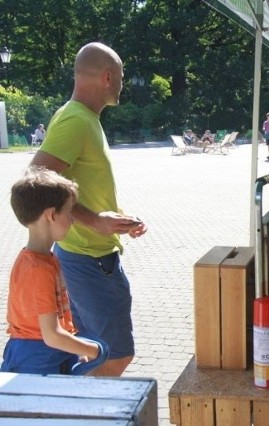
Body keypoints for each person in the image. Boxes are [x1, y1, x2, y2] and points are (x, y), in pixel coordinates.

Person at [30, 42, 148, 377]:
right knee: (114, 357)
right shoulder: (77, 120)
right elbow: (36, 177)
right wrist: (93, 220)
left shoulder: (82, 117)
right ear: (108, 77)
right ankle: (58, 405)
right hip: (88, 260)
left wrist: (113, 218)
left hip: (88, 257)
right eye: (122, 76)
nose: (123, 83)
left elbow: (76, 184)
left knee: (96, 352)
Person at [1, 167, 109, 375]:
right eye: (69, 212)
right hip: (37, 358)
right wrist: (94, 350)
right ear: (51, 214)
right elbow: (51, 335)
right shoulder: (38, 269)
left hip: (43, 352)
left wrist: (76, 346)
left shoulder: (44, 259)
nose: (72, 219)